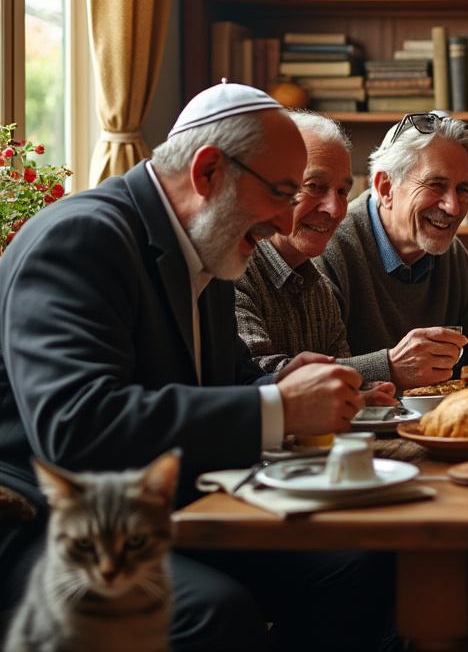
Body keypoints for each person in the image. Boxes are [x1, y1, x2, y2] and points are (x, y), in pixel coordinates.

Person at [0, 83, 398, 649]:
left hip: (155, 512)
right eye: (284, 193)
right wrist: (278, 406)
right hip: (45, 524)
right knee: (212, 614)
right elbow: (76, 425)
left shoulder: (206, 245)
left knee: (361, 564)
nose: (288, 223)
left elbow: (227, 384)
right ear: (209, 172)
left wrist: (284, 387)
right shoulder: (82, 237)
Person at [318, 110, 468, 389]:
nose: (453, 207)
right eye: (435, 185)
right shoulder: (331, 249)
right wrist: (390, 366)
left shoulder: (451, 253)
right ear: (386, 187)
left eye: (463, 189)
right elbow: (313, 374)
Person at [235, 110, 384, 378]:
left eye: (342, 192)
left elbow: (342, 373)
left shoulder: (320, 289)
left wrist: (368, 394)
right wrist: (389, 366)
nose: (336, 209)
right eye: (314, 186)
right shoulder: (234, 271)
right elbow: (255, 374)